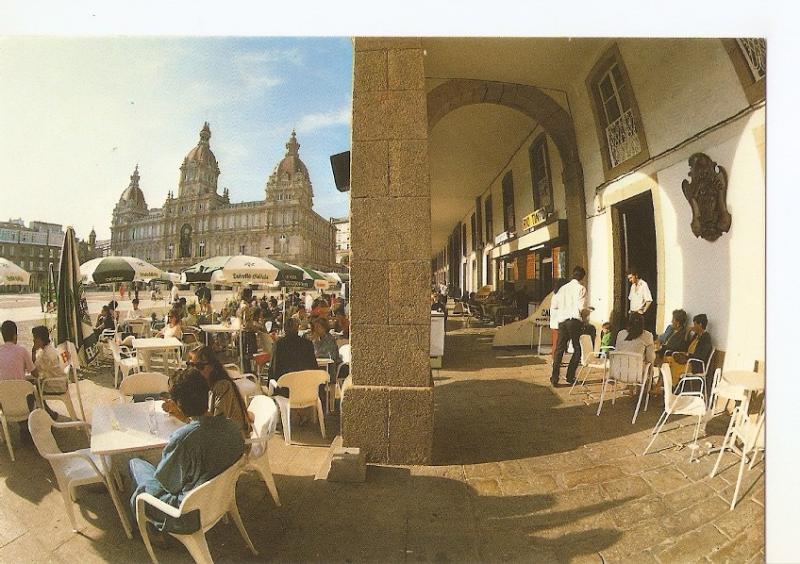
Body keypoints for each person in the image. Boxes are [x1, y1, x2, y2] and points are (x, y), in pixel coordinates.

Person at [129, 369, 244, 535]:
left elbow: (166, 484)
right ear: (207, 394)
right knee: (145, 466)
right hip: (219, 500)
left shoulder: (183, 440)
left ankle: (150, 531)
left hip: (185, 514)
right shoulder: (232, 427)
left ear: (178, 403)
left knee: (136, 463)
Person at [163, 347, 252, 437]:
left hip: (233, 443)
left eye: (199, 366)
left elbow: (214, 426)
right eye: (190, 365)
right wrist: (179, 410)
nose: (194, 370)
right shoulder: (200, 386)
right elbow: (203, 424)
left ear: (212, 366)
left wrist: (182, 415)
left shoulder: (222, 387)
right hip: (215, 439)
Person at [551, 266, 588, 386]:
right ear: (582, 277)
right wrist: (585, 316)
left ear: (573, 275)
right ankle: (570, 376)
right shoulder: (581, 288)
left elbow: (555, 305)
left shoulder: (563, 288)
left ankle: (554, 377)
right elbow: (581, 308)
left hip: (562, 321)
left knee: (560, 349)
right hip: (574, 321)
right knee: (577, 348)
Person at [268, 317, 317, 396]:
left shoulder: (279, 345)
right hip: (305, 389)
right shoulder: (307, 344)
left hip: (284, 391)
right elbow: (314, 367)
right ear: (297, 328)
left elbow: (273, 370)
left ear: (285, 329)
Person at [665, 313, 712, 382]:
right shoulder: (696, 336)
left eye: (695, 324)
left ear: (700, 325)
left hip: (694, 364)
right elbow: (685, 347)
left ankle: (672, 385)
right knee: (667, 361)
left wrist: (688, 355)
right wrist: (687, 334)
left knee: (674, 365)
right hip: (687, 360)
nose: (693, 326)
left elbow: (701, 356)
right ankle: (661, 385)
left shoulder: (706, 338)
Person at [30, 325, 63, 419]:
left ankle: (42, 415)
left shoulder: (45, 355)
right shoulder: (50, 348)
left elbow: (34, 371)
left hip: (55, 385)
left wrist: (33, 352)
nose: (33, 340)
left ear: (40, 339)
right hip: (59, 381)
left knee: (32, 389)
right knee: (36, 386)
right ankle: (48, 412)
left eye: (35, 338)